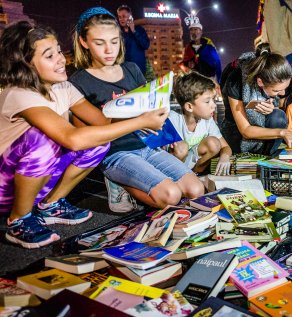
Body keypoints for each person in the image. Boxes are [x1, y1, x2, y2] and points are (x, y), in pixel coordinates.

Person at [0, 21, 168, 248]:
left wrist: (142, 112)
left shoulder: (63, 88)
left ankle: (51, 205)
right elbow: (72, 139)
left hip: (35, 179)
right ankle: (18, 219)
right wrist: (139, 121)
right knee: (46, 138)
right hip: (6, 187)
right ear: (26, 63)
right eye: (50, 56)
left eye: (59, 51)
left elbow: (102, 123)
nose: (61, 59)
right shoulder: (20, 94)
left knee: (98, 142)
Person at [69, 7, 204, 213]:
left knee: (196, 190)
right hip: (116, 153)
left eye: (114, 42)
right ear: (84, 42)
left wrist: (171, 139)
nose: (109, 50)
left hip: (147, 146)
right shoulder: (79, 81)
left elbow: (153, 108)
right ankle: (119, 183)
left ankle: (144, 181)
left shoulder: (131, 69)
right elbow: (85, 135)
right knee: (171, 196)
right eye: (99, 43)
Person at [220, 43, 292, 155]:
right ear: (260, 82)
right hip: (237, 130)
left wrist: (273, 107)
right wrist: (283, 132)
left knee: (278, 116)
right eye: (276, 91)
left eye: (284, 89)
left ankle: (268, 155)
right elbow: (245, 130)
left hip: (261, 129)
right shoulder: (236, 80)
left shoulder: (279, 78)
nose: (283, 93)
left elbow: (277, 107)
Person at [170, 72, 232, 175]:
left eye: (213, 99)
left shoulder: (207, 120)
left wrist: (225, 157)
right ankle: (178, 177)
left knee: (214, 143)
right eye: (207, 101)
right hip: (173, 166)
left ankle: (196, 174)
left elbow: (225, 147)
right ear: (189, 107)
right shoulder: (172, 119)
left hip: (193, 165)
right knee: (182, 148)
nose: (214, 105)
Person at [116, 4, 150, 75]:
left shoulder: (139, 30)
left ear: (130, 16)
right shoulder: (118, 32)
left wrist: (134, 31)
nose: (121, 19)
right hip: (124, 71)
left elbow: (146, 45)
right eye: (119, 17)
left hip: (138, 71)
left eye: (124, 16)